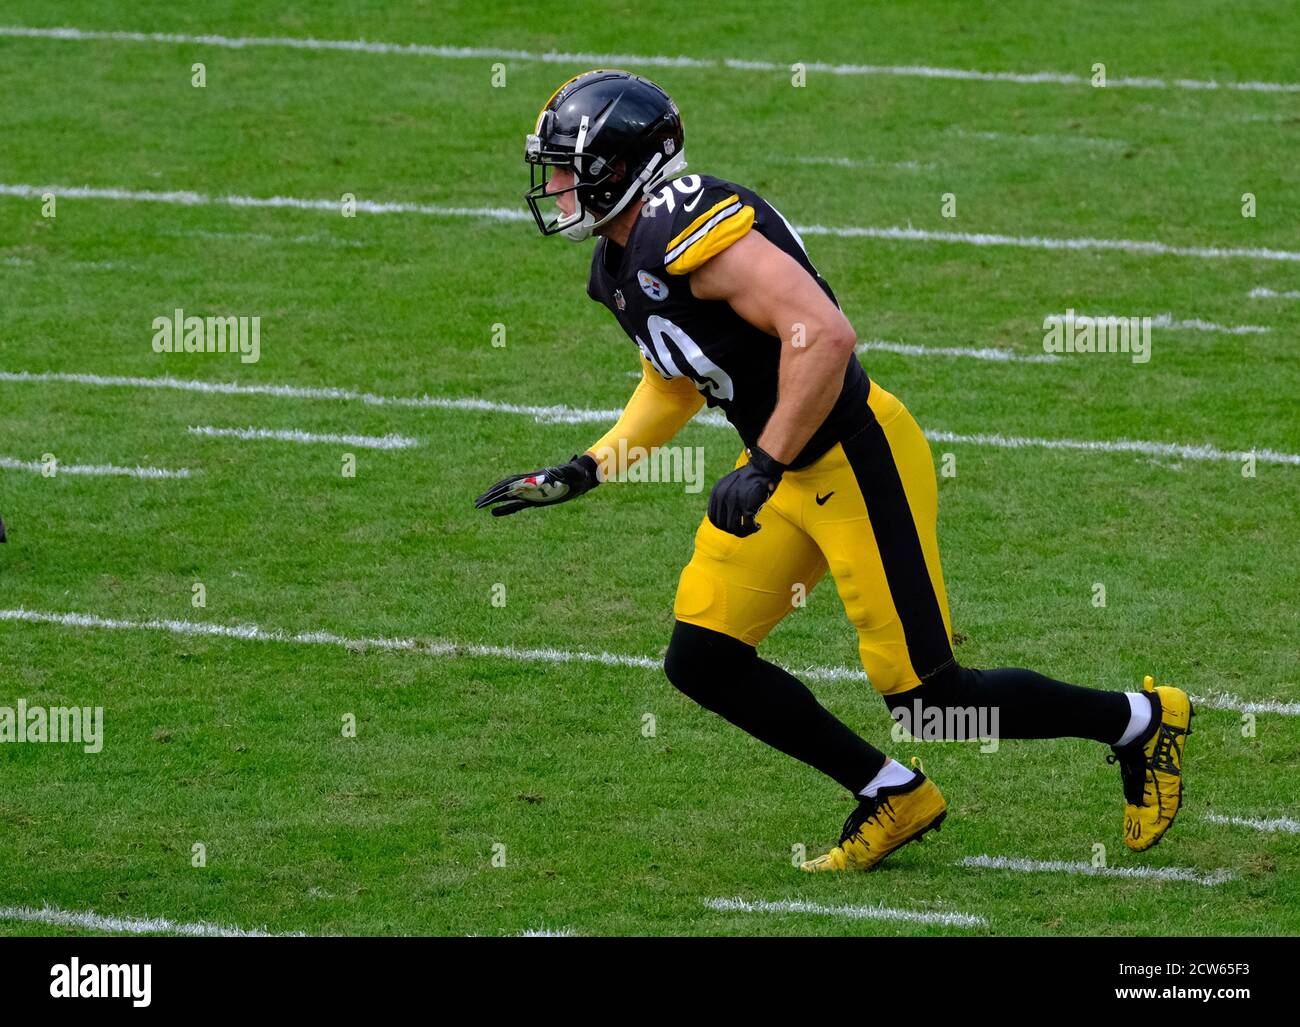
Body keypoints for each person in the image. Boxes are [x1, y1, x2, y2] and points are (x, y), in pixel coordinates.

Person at [476, 70, 1192, 870]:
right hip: (783, 469)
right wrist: (588, 467)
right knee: (703, 657)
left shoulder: (685, 224)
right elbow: (675, 377)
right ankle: (892, 793)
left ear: (621, 166)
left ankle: (1139, 720)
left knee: (931, 702)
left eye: (569, 167)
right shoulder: (618, 264)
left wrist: (768, 459)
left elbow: (823, 332)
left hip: (854, 455)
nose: (558, 187)